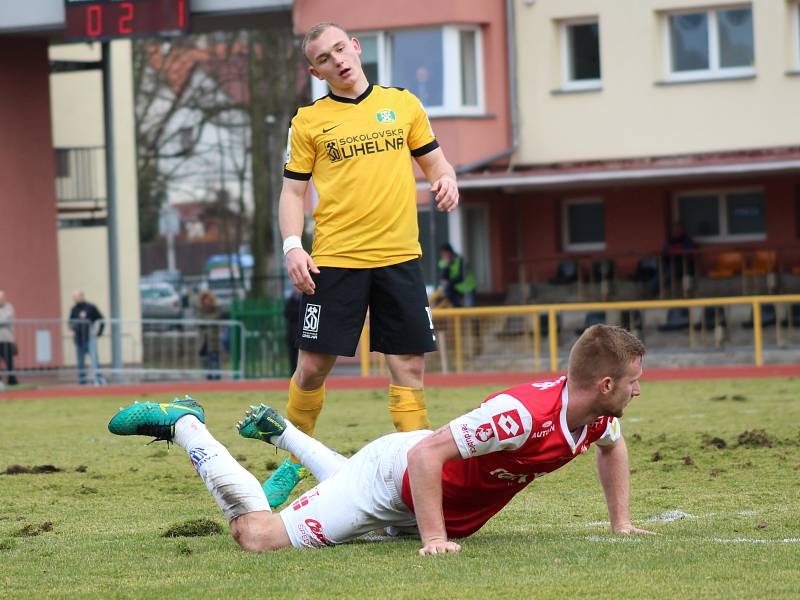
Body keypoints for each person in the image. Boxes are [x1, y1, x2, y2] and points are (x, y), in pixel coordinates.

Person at [108, 324, 656, 555]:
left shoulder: (598, 416)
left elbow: (614, 449)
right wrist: (434, 539)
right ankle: (185, 423)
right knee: (255, 536)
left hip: (408, 502)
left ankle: (289, 442)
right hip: (391, 484)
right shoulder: (519, 416)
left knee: (343, 497)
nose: (639, 392)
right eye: (634, 383)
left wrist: (621, 523)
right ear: (606, 384)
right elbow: (424, 454)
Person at [272, 22, 459, 507]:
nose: (338, 59)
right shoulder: (309, 122)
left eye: (341, 48)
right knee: (312, 368)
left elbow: (437, 163)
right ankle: (293, 461)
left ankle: (416, 473)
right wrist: (294, 245)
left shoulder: (404, 105)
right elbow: (293, 191)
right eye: (326, 57)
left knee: (408, 368)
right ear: (316, 71)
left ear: (356, 47)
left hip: (400, 258)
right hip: (335, 260)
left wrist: (446, 180)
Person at [68, 290, 105, 385]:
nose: (74, 298)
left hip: (89, 339)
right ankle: (82, 381)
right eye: (73, 297)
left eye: (76, 296)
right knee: (80, 363)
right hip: (78, 339)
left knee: (94, 360)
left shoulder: (90, 307)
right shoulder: (74, 309)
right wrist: (72, 326)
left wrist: (99, 332)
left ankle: (97, 380)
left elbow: (101, 319)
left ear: (81, 296)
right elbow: (70, 322)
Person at [438, 243, 476, 308]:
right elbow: (444, 277)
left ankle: (472, 317)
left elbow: (461, 277)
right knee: (449, 294)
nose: (445, 256)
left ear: (450, 252)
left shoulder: (460, 260)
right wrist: (447, 266)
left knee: (470, 308)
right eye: (443, 254)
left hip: (468, 286)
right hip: (455, 288)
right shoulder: (442, 262)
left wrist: (449, 282)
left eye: (446, 253)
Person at [196, 290, 223, 380]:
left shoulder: (216, 309)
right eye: (205, 299)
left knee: (215, 360)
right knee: (205, 361)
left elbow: (216, 317)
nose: (207, 301)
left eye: (208, 299)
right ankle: (209, 379)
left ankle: (217, 378)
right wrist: (208, 321)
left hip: (214, 340)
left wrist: (206, 321)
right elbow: (199, 320)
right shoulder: (200, 310)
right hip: (204, 341)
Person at [0, 290, 18, 386]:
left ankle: (12, 381)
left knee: (9, 361)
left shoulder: (9, 307)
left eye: (1, 297)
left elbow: (6, 319)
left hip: (7, 339)